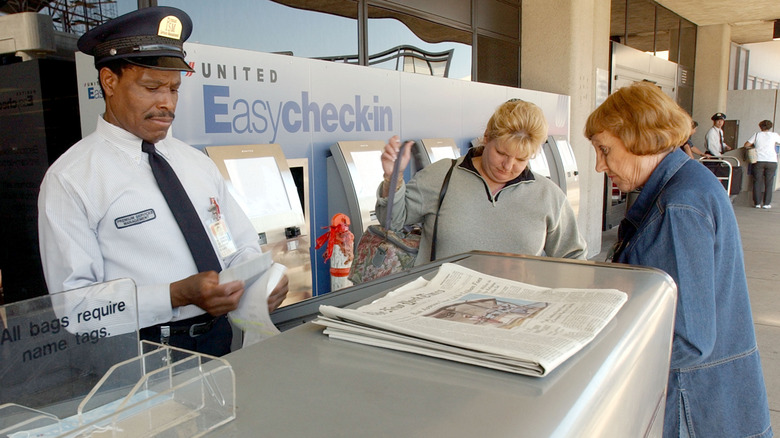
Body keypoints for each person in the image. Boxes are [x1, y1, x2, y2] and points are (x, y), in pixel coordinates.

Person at [37, 7, 288, 356]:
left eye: (174, 88)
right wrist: (174, 294)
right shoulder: (72, 179)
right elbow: (77, 309)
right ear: (110, 81)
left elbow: (237, 246)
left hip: (222, 338)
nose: (166, 103)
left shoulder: (195, 163)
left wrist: (267, 279)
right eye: (151, 87)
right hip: (143, 352)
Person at [585, 82, 772, 438]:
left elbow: (687, 339)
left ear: (640, 138)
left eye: (605, 150)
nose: (599, 165)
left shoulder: (679, 206)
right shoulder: (687, 184)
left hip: (693, 407)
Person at [375, 99, 587, 265]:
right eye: (501, 152)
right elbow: (390, 222)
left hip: (516, 313)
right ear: (486, 137)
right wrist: (393, 179)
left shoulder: (548, 195)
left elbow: (573, 257)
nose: (508, 166)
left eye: (521, 159)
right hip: (441, 310)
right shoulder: (442, 175)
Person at [744, 120, 780, 209]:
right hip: (772, 161)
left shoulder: (757, 135)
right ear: (770, 127)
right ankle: (767, 203)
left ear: (760, 127)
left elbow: (746, 145)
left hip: (759, 160)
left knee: (757, 182)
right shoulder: (774, 135)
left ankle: (757, 203)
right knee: (769, 182)